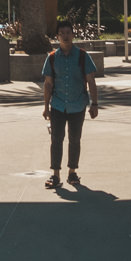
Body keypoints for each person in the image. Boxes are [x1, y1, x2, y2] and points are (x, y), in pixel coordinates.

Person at [41, 20, 98, 188]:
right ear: (57, 37)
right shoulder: (52, 58)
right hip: (58, 105)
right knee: (56, 139)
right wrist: (46, 107)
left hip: (77, 104)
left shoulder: (82, 56)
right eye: (62, 33)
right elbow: (48, 84)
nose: (65, 36)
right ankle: (55, 174)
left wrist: (94, 104)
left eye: (68, 33)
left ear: (73, 35)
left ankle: (72, 172)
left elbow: (91, 81)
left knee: (75, 139)